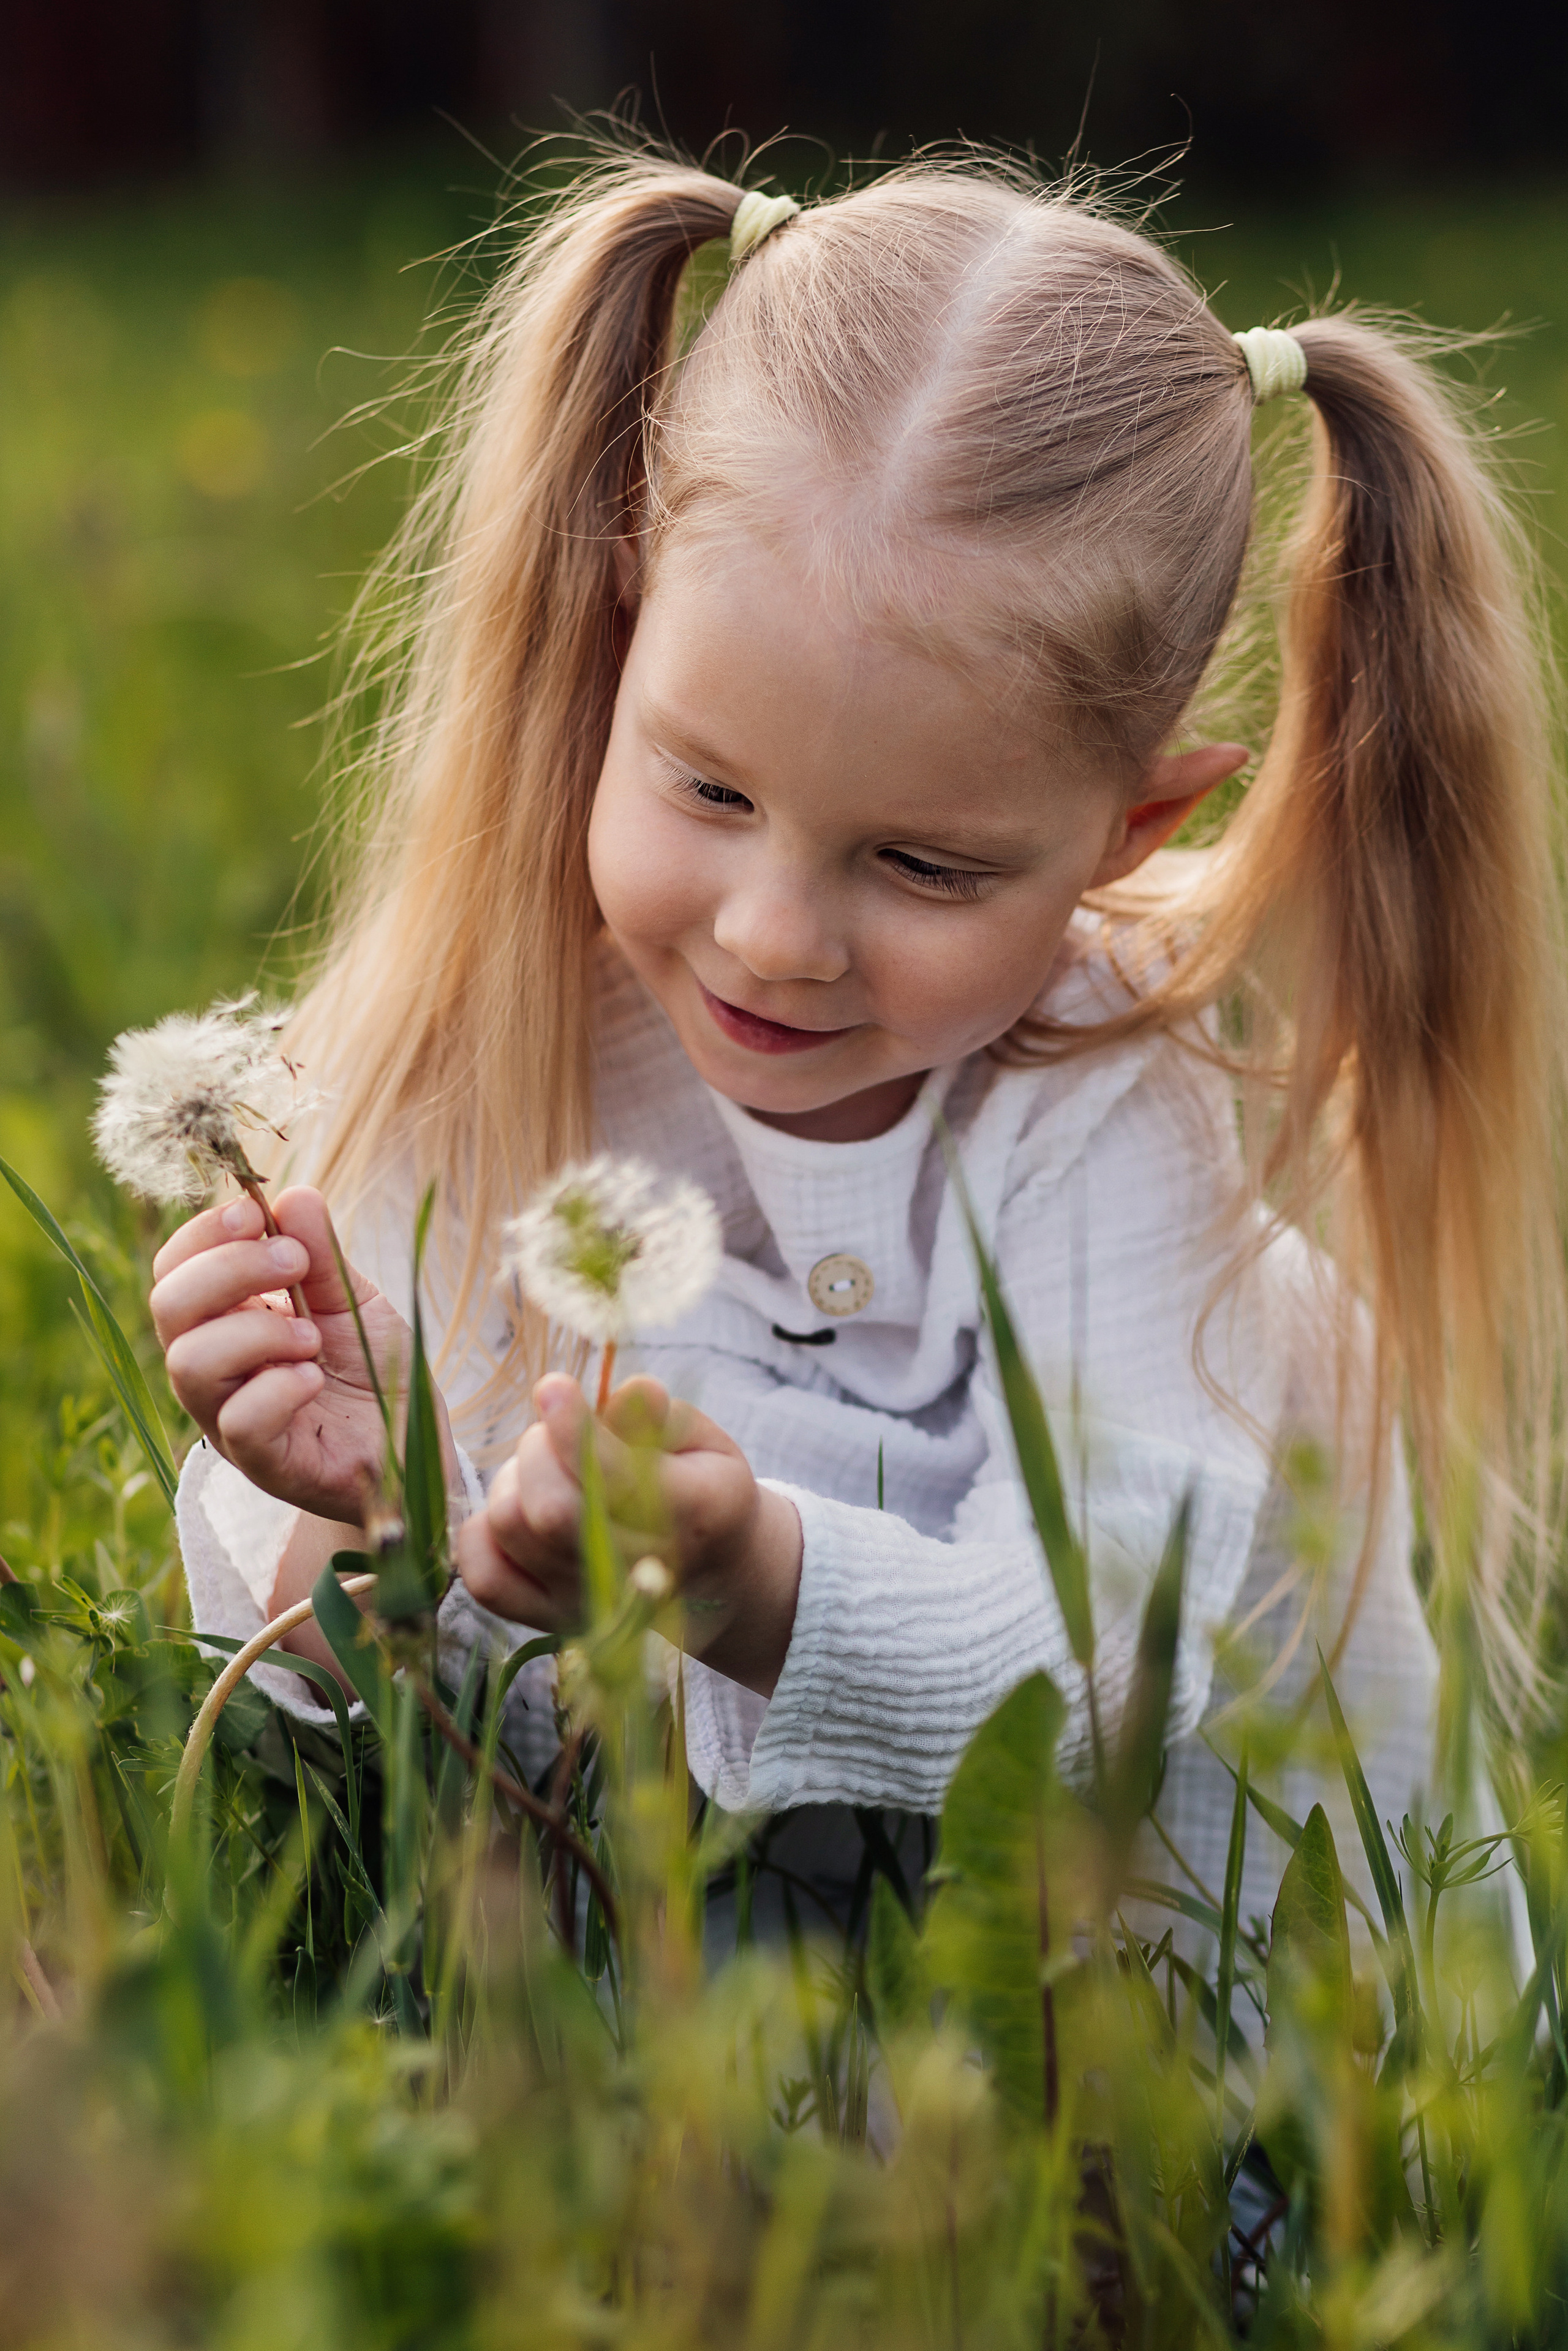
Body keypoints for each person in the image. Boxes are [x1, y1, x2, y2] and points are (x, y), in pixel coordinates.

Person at [151, 153, 1564, 1939]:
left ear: (1130, 830)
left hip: (1167, 2046)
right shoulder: (485, 1039)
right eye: (708, 789)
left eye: (923, 865)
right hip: (685, 2039)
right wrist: (366, 1507)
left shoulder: (1109, 1117)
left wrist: (754, 1580)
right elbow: (409, 1714)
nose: (772, 934)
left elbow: (1101, 1663)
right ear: (617, 625)